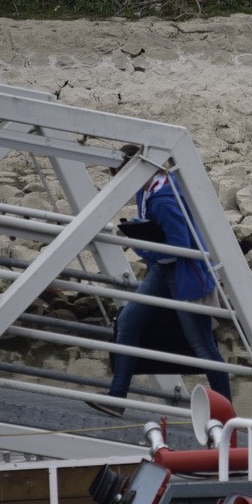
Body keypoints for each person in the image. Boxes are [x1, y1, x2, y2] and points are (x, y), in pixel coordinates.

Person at [87, 145, 231, 417]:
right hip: (164, 270)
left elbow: (180, 246)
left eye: (119, 175)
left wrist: (140, 246)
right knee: (128, 322)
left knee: (203, 346)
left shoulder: (163, 199)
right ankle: (116, 398)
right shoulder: (152, 189)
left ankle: (225, 413)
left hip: (182, 275)